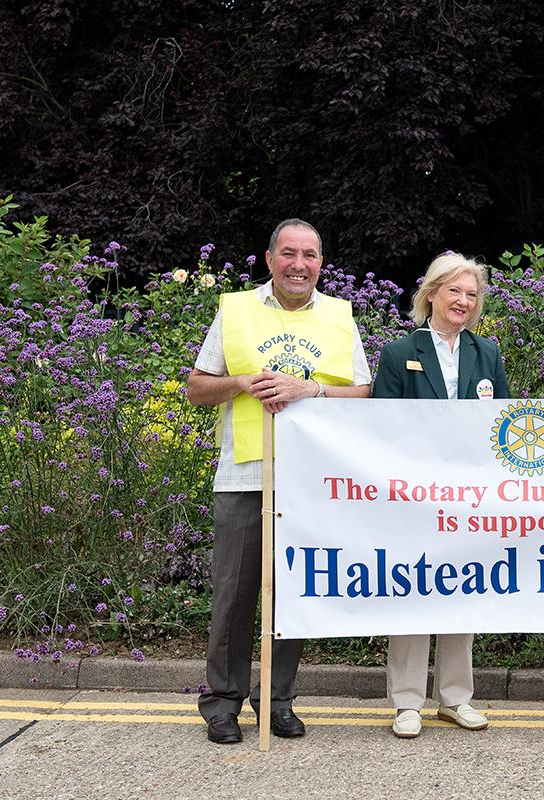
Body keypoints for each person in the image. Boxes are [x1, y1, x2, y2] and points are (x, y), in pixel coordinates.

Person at [187, 219, 372, 744]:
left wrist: (309, 388)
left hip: (308, 479)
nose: (299, 264)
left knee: (293, 591)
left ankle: (276, 698)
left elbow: (362, 393)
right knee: (235, 594)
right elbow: (196, 388)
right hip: (244, 475)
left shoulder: (339, 317)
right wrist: (242, 382)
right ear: (269, 259)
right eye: (288, 253)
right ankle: (222, 703)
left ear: (320, 263)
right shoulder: (236, 310)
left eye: (309, 255)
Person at [371, 251, 510, 738]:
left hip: (470, 495)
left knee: (463, 586)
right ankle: (407, 701)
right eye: (454, 290)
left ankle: (455, 698)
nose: (463, 301)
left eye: (471, 295)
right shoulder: (398, 352)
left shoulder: (486, 353)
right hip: (413, 495)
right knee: (413, 589)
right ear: (431, 292)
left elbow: (502, 424)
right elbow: (381, 427)